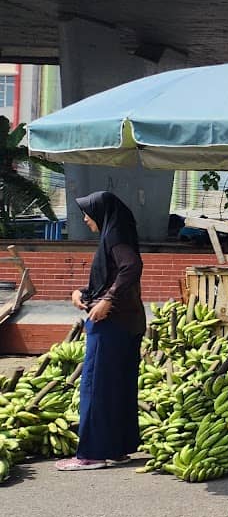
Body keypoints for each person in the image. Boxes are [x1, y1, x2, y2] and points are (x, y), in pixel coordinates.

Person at [59, 192, 144, 471]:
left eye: (88, 213)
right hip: (127, 322)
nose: (85, 218)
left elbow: (131, 267)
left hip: (112, 324)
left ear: (102, 213)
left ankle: (92, 453)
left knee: (95, 387)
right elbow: (110, 276)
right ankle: (117, 448)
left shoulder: (116, 236)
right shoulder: (118, 235)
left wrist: (108, 300)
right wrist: (81, 293)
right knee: (118, 386)